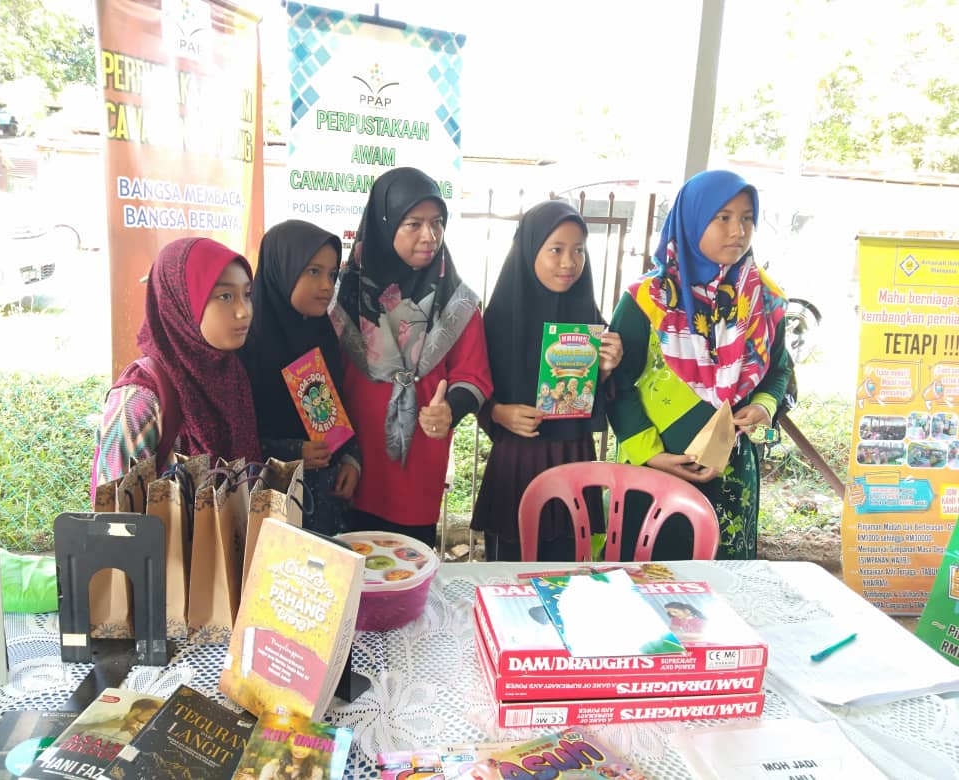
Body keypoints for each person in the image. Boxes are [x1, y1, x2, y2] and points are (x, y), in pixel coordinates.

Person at [608, 170, 793, 560]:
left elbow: (779, 370)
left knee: (724, 583)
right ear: (691, 220)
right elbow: (616, 383)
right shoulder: (648, 299)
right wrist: (649, 453)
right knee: (650, 580)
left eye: (747, 218)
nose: (738, 231)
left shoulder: (764, 300)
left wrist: (764, 405)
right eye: (722, 217)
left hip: (731, 473)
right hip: (654, 471)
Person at [330, 167, 493, 547]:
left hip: (417, 467)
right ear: (385, 224)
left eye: (438, 223)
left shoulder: (456, 301)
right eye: (414, 224)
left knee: (411, 565)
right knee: (348, 565)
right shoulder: (342, 295)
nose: (430, 236)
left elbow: (474, 375)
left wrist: (450, 408)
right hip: (350, 463)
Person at [470, 200, 622, 561]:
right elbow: (474, 387)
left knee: (567, 571)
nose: (569, 262)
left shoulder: (588, 316)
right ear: (530, 250)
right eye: (556, 250)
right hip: (518, 461)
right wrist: (498, 413)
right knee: (510, 571)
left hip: (573, 457)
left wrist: (605, 368)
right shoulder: (498, 320)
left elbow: (595, 396)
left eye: (578, 250)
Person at [92, 237, 261, 493]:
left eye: (247, 295)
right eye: (225, 296)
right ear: (181, 301)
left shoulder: (231, 374)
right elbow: (115, 508)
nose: (244, 311)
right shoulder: (139, 400)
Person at [240, 220, 361, 536]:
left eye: (332, 274)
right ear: (282, 270)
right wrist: (293, 451)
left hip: (324, 500)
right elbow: (237, 437)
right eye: (313, 271)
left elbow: (336, 408)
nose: (327, 285)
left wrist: (350, 459)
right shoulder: (247, 345)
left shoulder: (323, 335)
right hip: (270, 505)